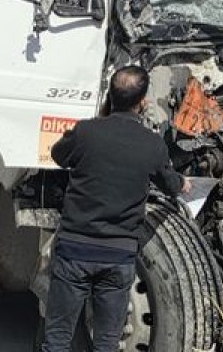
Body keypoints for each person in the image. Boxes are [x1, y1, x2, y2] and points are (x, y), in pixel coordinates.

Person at [40, 66, 191, 352]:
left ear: (110, 95)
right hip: (118, 256)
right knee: (107, 342)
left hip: (75, 250)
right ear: (143, 101)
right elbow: (172, 185)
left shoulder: (86, 132)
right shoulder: (153, 145)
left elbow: (59, 155)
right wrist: (183, 183)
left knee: (58, 337)